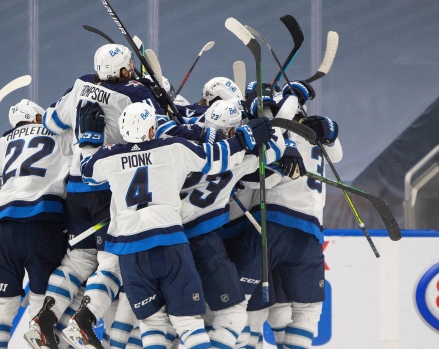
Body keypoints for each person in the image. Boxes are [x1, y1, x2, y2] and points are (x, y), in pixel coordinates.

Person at [80, 102, 277, 349]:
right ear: (152, 130)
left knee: (152, 326)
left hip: (130, 252)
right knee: (188, 325)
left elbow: (86, 172)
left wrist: (89, 140)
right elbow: (216, 158)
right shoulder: (173, 148)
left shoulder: (109, 157)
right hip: (169, 243)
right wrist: (245, 137)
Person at [26, 43, 167, 349]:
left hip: (76, 190)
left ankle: (44, 319)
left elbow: (51, 122)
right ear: (124, 69)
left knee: (78, 259)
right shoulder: (136, 94)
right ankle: (85, 321)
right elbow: (161, 131)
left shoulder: (81, 84)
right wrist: (156, 91)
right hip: (108, 190)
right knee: (112, 262)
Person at [230, 80, 342, 349]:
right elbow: (336, 154)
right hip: (310, 234)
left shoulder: (274, 132)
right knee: (307, 311)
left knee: (242, 307)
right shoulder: (317, 135)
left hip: (270, 226)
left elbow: (261, 180)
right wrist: (331, 131)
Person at [177, 99, 285, 349]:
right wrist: (262, 116)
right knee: (234, 313)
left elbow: (169, 126)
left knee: (162, 322)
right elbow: (277, 147)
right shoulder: (239, 158)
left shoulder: (181, 144)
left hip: (167, 238)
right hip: (202, 239)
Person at [0, 99, 73, 349]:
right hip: (44, 223)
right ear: (37, 117)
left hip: (5, 228)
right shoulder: (59, 132)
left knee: (0, 310)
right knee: (42, 309)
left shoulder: (5, 140)